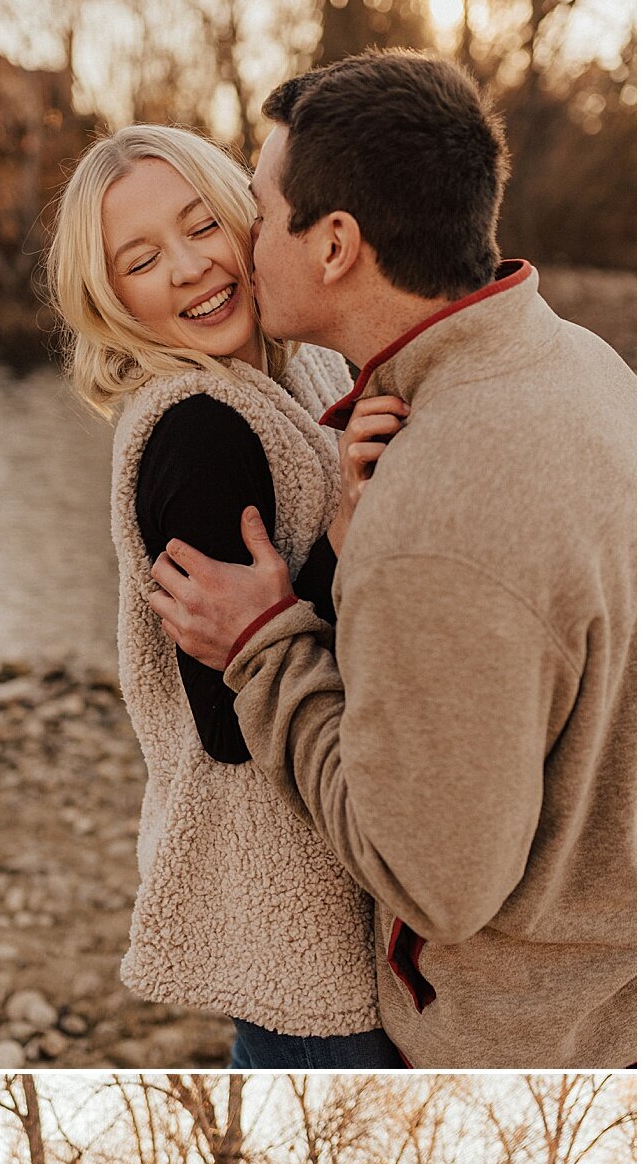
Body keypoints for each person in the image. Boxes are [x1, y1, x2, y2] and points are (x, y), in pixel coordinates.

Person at [146, 51, 636, 1069]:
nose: (241, 242)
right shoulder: (584, 363)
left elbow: (437, 885)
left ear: (333, 244)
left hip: (513, 1041)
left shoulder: (436, 515)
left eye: (260, 210)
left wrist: (266, 647)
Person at [49, 124, 408, 1070]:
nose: (189, 267)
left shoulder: (307, 365)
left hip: (362, 859)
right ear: (110, 295)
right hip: (294, 916)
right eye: (141, 258)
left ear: (249, 216)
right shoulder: (195, 433)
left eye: (201, 224)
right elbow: (225, 723)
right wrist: (339, 538)